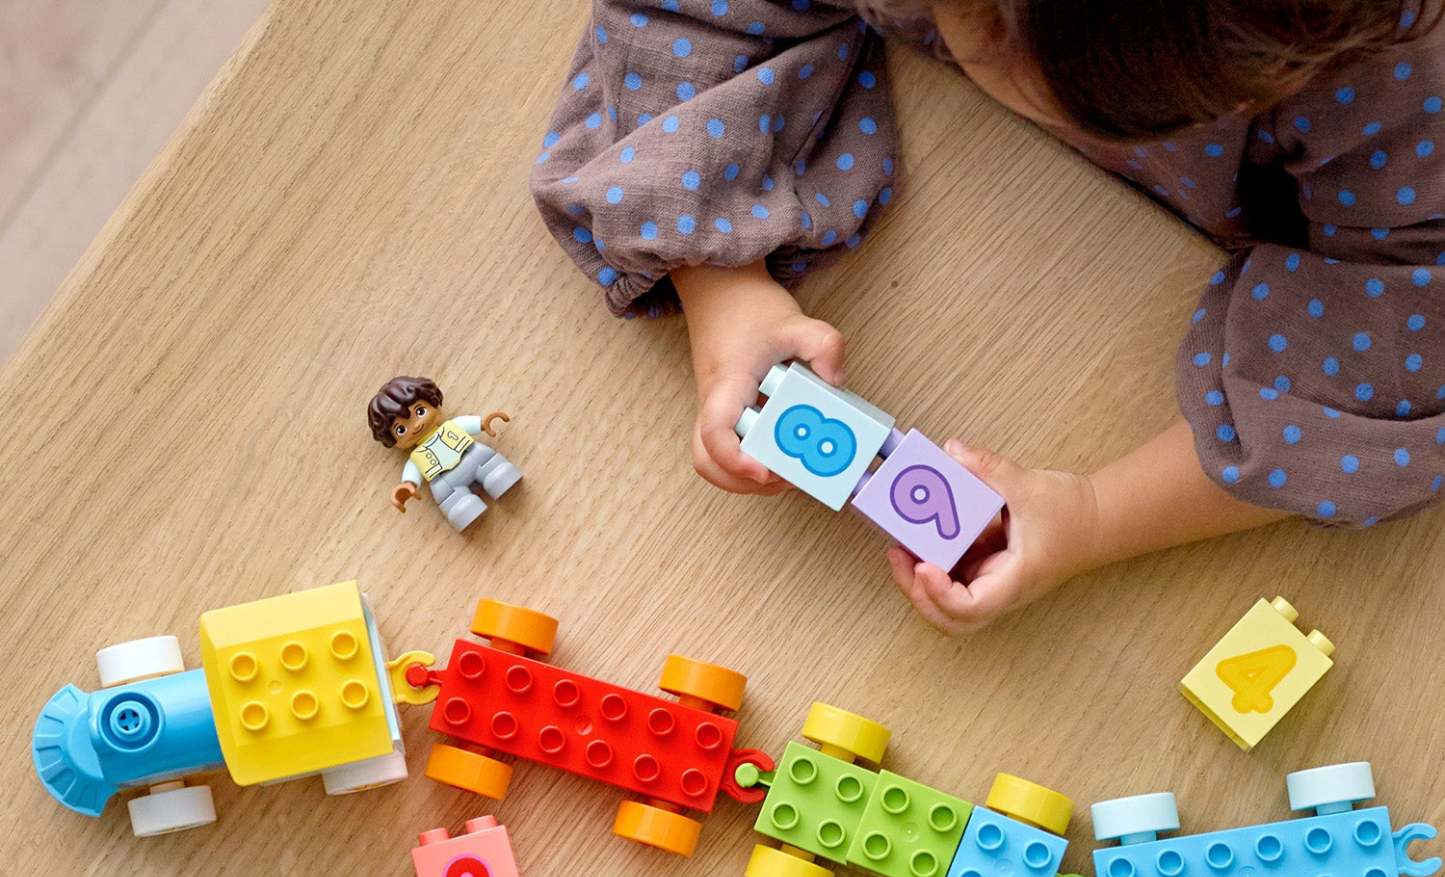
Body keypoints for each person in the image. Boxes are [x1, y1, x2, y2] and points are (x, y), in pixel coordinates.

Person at [532, 2, 1443, 632]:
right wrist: (722, 284)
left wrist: (1092, 517)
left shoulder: (1405, 84)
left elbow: (1402, 346)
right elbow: (683, 23)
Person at [367, 376, 521, 533]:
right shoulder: (415, 458)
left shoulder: (451, 426)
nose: (416, 425)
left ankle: (499, 476)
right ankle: (461, 508)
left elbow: (465, 424)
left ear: (433, 402)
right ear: (395, 441)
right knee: (454, 503)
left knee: (491, 465)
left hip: (473, 457)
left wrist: (482, 423)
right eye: (401, 429)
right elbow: (412, 473)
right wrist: (408, 485)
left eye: (420, 411)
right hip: (447, 484)